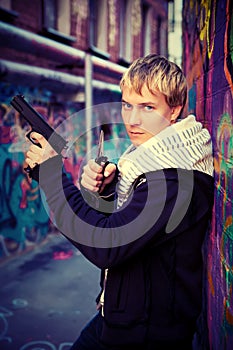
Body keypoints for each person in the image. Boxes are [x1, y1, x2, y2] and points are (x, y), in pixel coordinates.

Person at [25, 54, 214, 350]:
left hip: (147, 335)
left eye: (148, 107)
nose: (132, 119)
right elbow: (128, 225)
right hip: (123, 318)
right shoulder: (150, 162)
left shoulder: (174, 179)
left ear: (174, 110)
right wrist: (109, 191)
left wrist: (51, 176)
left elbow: (107, 244)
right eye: (127, 104)